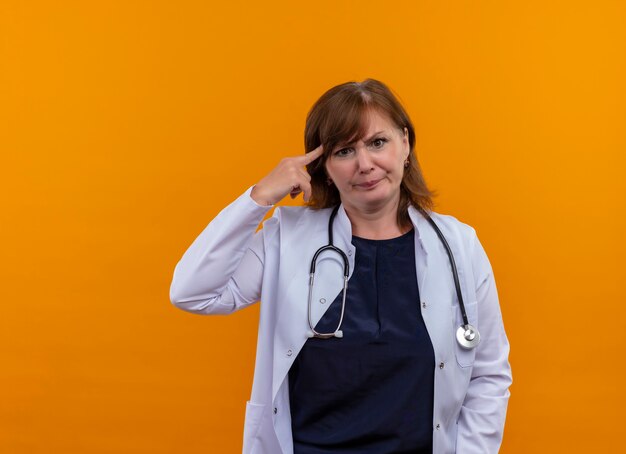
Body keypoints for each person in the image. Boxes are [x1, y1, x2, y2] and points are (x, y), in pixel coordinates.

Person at [169, 79, 512, 454]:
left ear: (405, 145)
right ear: (325, 168)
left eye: (377, 143)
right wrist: (260, 196)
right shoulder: (288, 239)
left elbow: (488, 375)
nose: (365, 164)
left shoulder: (458, 246)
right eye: (345, 151)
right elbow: (192, 292)